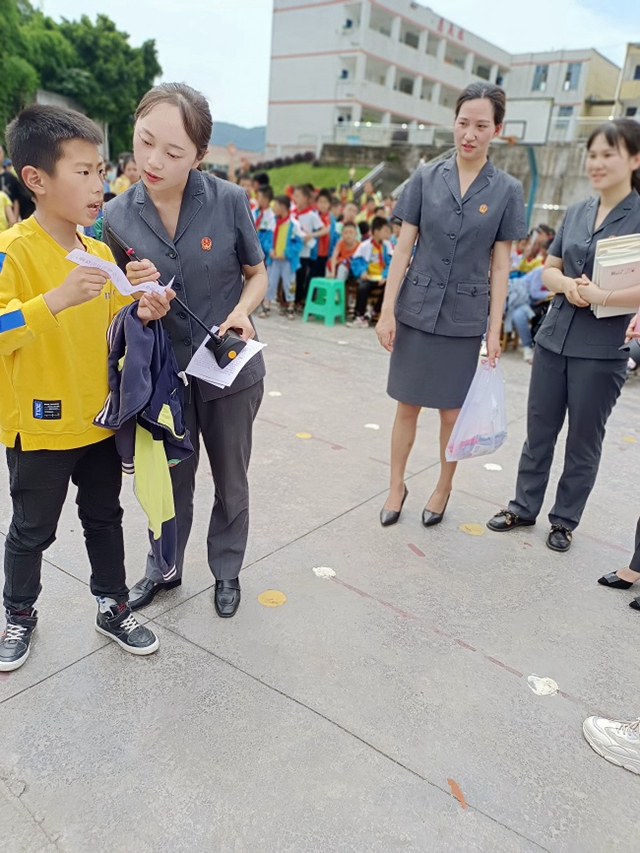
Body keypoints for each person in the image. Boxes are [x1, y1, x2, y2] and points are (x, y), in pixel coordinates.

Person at [0, 105, 170, 671]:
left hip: (99, 419)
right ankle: (19, 616)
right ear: (36, 180)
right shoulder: (13, 251)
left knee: (104, 518)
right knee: (32, 530)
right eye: (84, 172)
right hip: (38, 423)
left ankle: (112, 604)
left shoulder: (99, 253)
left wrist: (147, 304)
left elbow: (122, 326)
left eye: (101, 171)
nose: (100, 185)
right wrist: (54, 300)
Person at [103, 82, 267, 618]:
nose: (152, 160)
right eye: (145, 140)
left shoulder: (228, 201)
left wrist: (243, 311)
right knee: (168, 478)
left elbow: (256, 273)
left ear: (198, 156)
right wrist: (134, 297)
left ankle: (226, 570)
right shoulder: (116, 216)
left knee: (230, 476)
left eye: (173, 152)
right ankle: (163, 568)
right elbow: (117, 301)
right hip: (162, 375)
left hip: (226, 370)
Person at [375, 82, 526, 527]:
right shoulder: (425, 177)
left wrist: (494, 330)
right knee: (406, 405)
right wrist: (386, 311)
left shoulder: (506, 190)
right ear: (453, 123)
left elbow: (501, 267)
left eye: (481, 126)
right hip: (416, 308)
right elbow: (402, 249)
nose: (470, 134)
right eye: (464, 123)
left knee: (451, 413)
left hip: (464, 317)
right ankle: (396, 484)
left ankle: (443, 487)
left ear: (496, 129)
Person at [487, 118, 640, 552]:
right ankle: (523, 506)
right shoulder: (576, 211)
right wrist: (569, 286)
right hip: (554, 336)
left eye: (608, 154)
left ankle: (564, 520)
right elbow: (549, 269)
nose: (597, 162)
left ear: (634, 159)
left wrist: (602, 294)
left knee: (583, 440)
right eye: (592, 154)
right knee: (539, 429)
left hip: (602, 346)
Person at [504, 238, 552, 363]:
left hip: (528, 302)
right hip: (518, 297)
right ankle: (527, 346)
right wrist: (551, 293)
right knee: (517, 315)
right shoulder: (540, 271)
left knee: (518, 315)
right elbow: (535, 293)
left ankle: (528, 346)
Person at [260, 193, 303, 320]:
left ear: (283, 207)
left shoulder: (293, 224)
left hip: (287, 260)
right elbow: (266, 239)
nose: (274, 208)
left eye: (276, 205)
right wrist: (270, 249)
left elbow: (298, 243)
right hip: (274, 259)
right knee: (270, 282)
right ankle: (266, 305)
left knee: (289, 283)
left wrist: (287, 253)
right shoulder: (272, 222)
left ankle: (290, 306)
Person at [347, 216, 393, 328]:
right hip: (369, 277)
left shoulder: (387, 246)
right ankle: (359, 316)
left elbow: (391, 263)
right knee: (362, 289)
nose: (388, 233)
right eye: (386, 230)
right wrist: (362, 272)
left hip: (381, 278)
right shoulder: (364, 246)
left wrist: (385, 276)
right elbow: (356, 262)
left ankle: (374, 312)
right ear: (376, 231)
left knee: (391, 289)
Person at [292, 184, 326, 308]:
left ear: (306, 198)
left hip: (304, 252)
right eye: (294, 196)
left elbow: (324, 229)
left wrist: (311, 235)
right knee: (291, 277)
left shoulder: (312, 215)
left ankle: (298, 301)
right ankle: (288, 300)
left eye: (298, 196)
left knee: (301, 278)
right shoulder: (292, 213)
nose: (295, 198)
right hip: (291, 251)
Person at [254, 184, 276, 258]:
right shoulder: (253, 212)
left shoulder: (272, 216)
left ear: (266, 199)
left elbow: (269, 237)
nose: (256, 198)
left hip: (262, 253)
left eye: (258, 196)